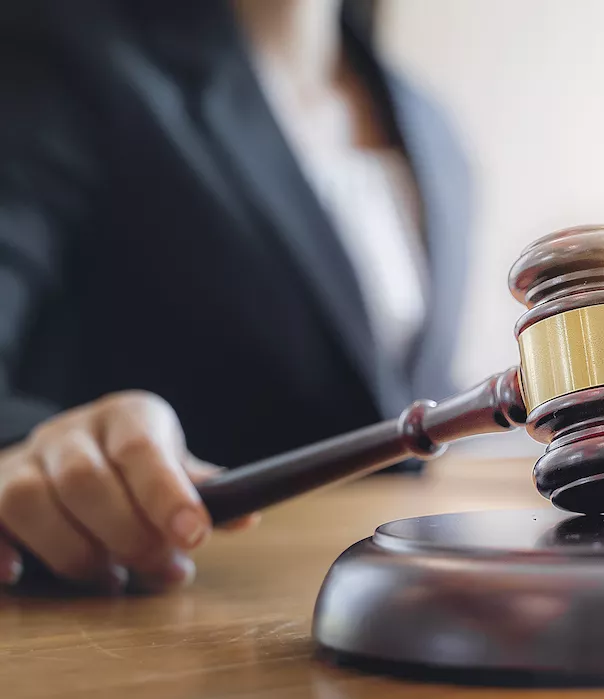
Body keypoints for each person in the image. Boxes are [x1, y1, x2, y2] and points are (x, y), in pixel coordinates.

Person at [0, 0, 471, 592]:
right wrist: (35, 449)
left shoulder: (430, 125)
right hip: (157, 618)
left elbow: (393, 389)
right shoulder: (57, 58)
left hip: (395, 607)